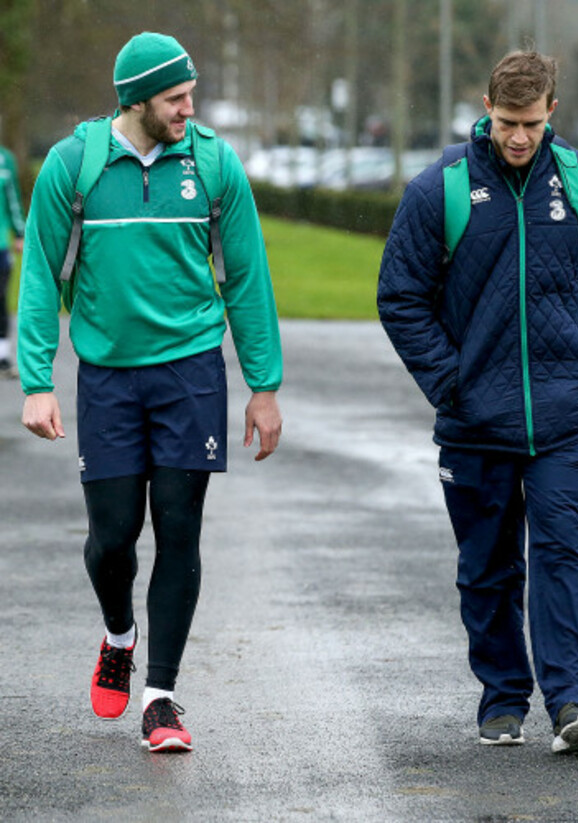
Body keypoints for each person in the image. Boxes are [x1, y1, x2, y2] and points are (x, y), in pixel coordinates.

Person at [17, 32, 283, 753]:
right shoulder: (73, 169)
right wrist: (37, 380)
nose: (188, 108)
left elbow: (247, 277)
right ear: (135, 99)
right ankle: (117, 635)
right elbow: (41, 274)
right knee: (112, 539)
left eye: (189, 94)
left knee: (179, 525)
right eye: (176, 97)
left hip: (191, 373)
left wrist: (263, 386)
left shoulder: (214, 163)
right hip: (106, 375)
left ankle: (161, 696)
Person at [377, 51, 578, 754]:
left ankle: (574, 698)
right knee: (487, 565)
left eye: (528, 123)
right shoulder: (442, 189)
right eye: (504, 123)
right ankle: (502, 695)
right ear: (485, 109)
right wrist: (452, 382)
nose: (516, 137)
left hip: (561, 416)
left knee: (562, 547)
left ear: (551, 111)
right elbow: (400, 297)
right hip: (474, 420)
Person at [0, 139, 25, 377]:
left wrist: (19, 233)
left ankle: (3, 356)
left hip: (0, 244)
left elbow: (14, 201)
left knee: (0, 297)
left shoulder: (5, 159)